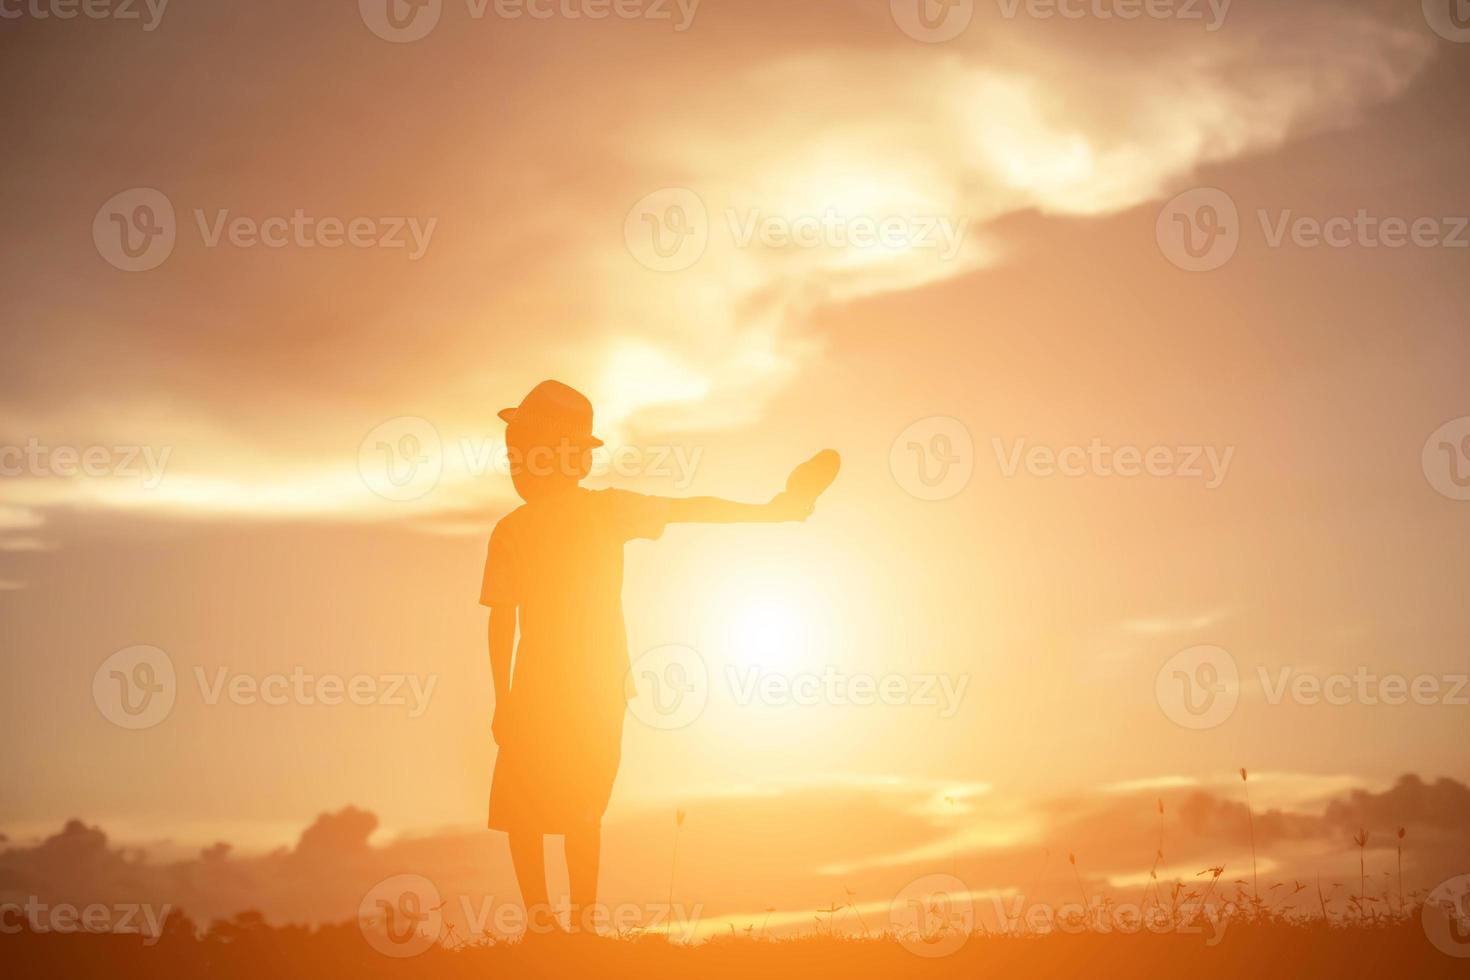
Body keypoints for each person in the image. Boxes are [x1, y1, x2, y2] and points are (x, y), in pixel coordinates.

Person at [479, 379, 838, 935]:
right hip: (589, 687)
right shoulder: (566, 519)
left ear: (565, 459)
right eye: (514, 455)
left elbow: (502, 621)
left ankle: (551, 926)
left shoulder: (528, 527)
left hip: (557, 688)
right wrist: (774, 511)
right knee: (572, 808)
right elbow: (691, 508)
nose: (517, 465)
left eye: (524, 453)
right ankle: (568, 927)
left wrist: (504, 699)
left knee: (538, 809)